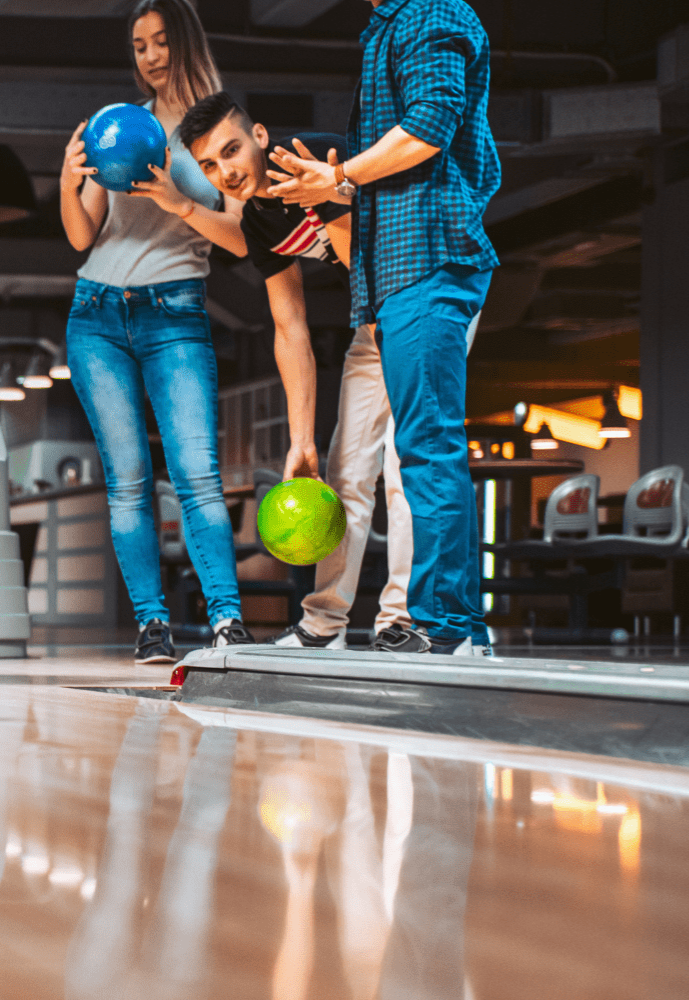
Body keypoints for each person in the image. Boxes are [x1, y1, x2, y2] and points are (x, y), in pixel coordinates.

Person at [179, 93, 489, 654]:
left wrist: (327, 198)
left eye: (231, 150)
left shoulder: (323, 157)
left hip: (430, 298)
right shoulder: (259, 216)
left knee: (404, 468)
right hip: (375, 324)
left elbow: (365, 265)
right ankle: (325, 624)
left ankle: (403, 618)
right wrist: (301, 440)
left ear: (260, 136)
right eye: (209, 165)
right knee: (345, 470)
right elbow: (290, 325)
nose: (226, 171)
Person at [265, 0, 500, 655]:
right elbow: (400, 167)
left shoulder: (431, 12)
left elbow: (429, 128)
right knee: (371, 462)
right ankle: (340, 622)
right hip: (389, 283)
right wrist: (339, 189)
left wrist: (339, 173)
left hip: (431, 261)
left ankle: (451, 626)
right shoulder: (386, 27)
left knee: (426, 450)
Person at [61, 0, 256, 664]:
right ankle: (152, 625)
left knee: (197, 473)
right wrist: (69, 177)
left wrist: (177, 198)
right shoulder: (121, 126)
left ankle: (228, 619)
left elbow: (236, 237)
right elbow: (82, 235)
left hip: (176, 312)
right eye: (138, 44)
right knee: (128, 480)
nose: (148, 55)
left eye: (160, 41)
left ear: (186, 41)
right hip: (97, 314)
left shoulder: (220, 131)